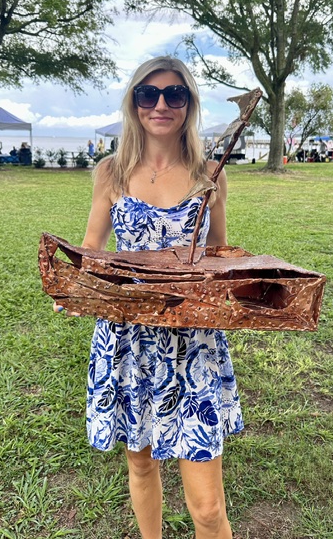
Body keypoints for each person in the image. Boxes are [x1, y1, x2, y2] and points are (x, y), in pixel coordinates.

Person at [54, 56, 243, 539]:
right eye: (148, 94)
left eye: (174, 94)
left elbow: (220, 254)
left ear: (189, 104)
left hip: (192, 344)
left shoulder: (210, 174)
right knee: (140, 469)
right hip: (127, 341)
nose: (161, 104)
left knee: (206, 507)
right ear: (134, 102)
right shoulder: (111, 172)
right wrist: (75, 287)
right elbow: (92, 247)